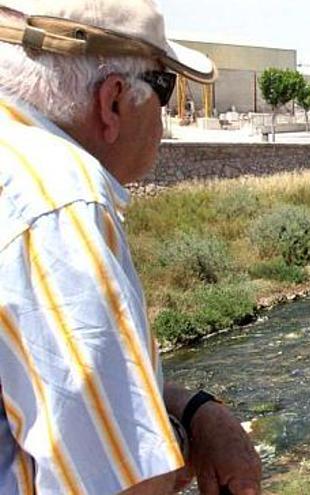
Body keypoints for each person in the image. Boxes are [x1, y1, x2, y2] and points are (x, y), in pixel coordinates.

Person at [0, 1, 261, 494]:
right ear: (113, 101)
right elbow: (124, 483)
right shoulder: (60, 200)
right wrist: (184, 434)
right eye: (165, 88)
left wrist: (189, 407)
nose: (165, 117)